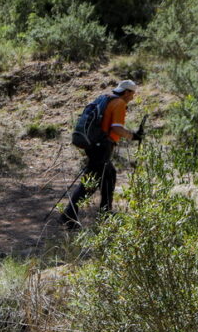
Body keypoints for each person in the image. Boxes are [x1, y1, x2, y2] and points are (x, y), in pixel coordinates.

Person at [61, 80, 144, 230]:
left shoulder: (106, 97)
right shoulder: (118, 103)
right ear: (127, 92)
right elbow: (117, 128)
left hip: (93, 143)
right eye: (132, 94)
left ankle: (105, 211)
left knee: (109, 175)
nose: (132, 97)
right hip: (101, 146)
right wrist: (134, 136)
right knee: (90, 181)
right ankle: (69, 215)